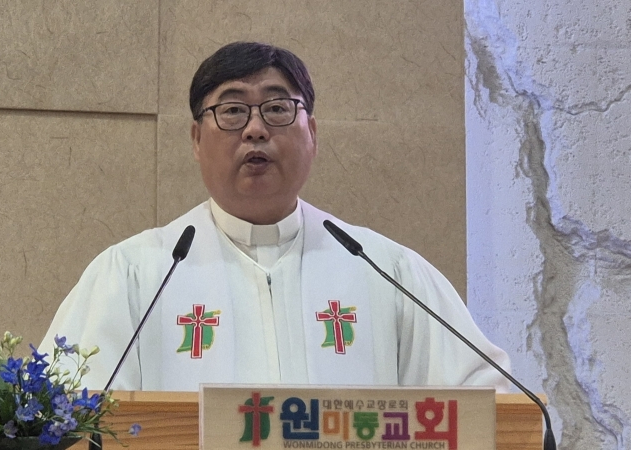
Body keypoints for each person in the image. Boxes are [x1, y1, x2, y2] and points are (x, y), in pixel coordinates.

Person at [40, 41, 510, 392]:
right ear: (196, 140)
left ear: (313, 133)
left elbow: (490, 404)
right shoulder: (135, 273)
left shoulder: (388, 270)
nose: (255, 129)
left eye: (278, 108)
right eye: (232, 110)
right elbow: (61, 417)